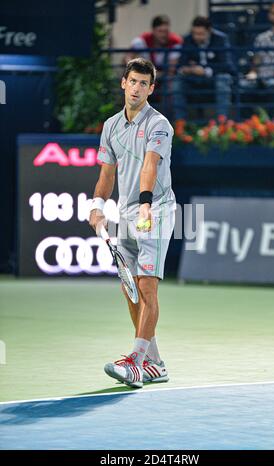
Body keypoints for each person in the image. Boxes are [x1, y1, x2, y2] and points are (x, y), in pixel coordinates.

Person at [89, 58, 176, 389]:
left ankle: (136, 363)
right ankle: (154, 362)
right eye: (133, 81)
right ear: (123, 83)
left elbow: (149, 167)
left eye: (144, 84)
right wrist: (97, 206)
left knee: (146, 285)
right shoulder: (110, 126)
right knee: (130, 288)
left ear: (151, 89)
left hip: (157, 210)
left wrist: (145, 206)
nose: (138, 88)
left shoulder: (159, 125)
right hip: (126, 214)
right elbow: (106, 174)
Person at [173, 16, 235, 141]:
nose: (197, 37)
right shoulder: (188, 40)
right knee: (177, 83)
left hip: (213, 79)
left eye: (201, 34)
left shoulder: (220, 39)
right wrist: (188, 69)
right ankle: (181, 126)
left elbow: (226, 65)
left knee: (223, 80)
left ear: (209, 31)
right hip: (193, 79)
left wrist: (206, 71)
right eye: (195, 33)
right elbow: (181, 64)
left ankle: (221, 126)